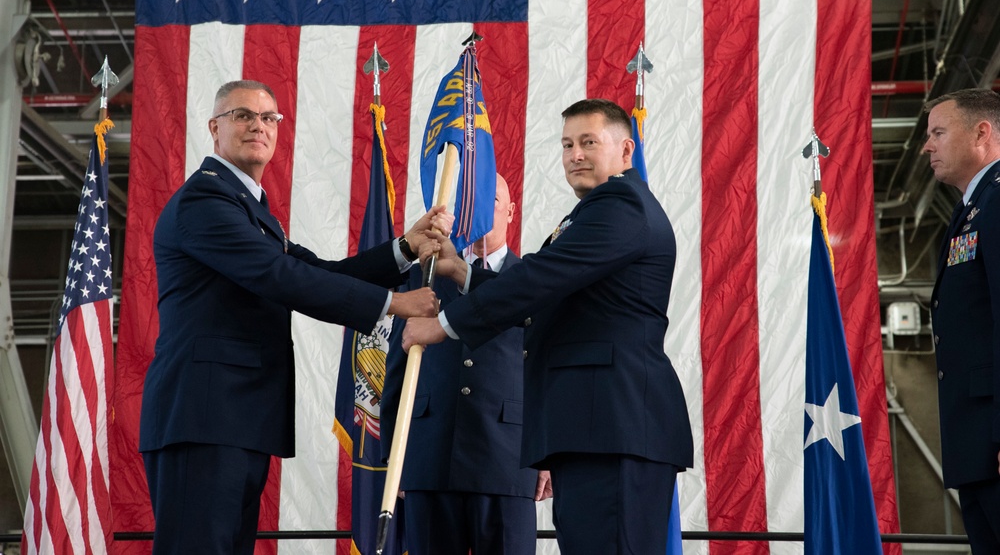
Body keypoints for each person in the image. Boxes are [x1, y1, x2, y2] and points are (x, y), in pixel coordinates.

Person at [139, 80, 440, 555]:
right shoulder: (204, 203)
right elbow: (280, 276)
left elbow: (317, 271)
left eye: (269, 118)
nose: (258, 126)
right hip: (203, 417)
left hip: (235, 418)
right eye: (243, 115)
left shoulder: (249, 209)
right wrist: (395, 304)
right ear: (214, 128)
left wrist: (403, 249)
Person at [403, 99, 693, 554]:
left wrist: (444, 324)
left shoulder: (620, 204)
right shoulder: (595, 212)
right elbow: (549, 287)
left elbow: (541, 279)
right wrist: (464, 274)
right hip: (592, 428)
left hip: (613, 426)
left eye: (589, 142)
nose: (575, 154)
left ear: (625, 150)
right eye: (567, 144)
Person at [382, 174, 543, 555]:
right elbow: (396, 371)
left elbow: (547, 371)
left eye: (492, 198)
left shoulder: (534, 279)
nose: (481, 207)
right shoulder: (424, 278)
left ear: (511, 210)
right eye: (473, 199)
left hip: (508, 459)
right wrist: (395, 455)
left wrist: (548, 456)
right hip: (430, 456)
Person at [923, 88, 1000, 553]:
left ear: (981, 133)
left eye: (938, 132)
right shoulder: (973, 209)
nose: (927, 146)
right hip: (975, 443)